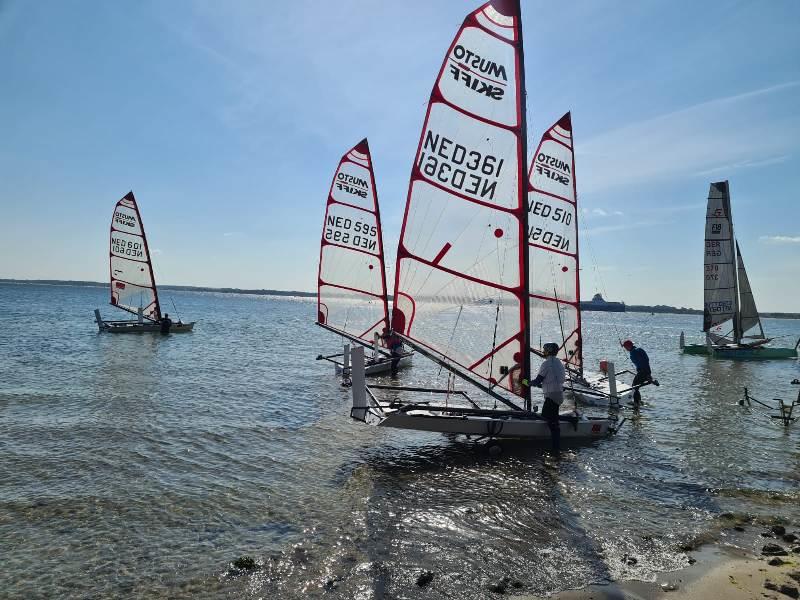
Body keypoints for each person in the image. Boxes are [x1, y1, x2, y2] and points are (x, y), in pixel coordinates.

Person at [531, 342, 565, 452]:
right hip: (558, 394)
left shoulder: (546, 364)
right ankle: (555, 445)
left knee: (550, 421)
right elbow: (552, 379)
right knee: (550, 417)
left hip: (551, 396)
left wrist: (525, 382)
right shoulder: (559, 363)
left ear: (548, 351)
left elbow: (537, 381)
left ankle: (556, 449)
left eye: (545, 350)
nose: (543, 352)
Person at [622, 339, 651, 410]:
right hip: (647, 370)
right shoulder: (639, 349)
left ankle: (636, 404)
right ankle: (639, 402)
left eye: (625, 347)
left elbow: (642, 362)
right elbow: (646, 359)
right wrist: (648, 373)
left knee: (634, 387)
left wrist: (644, 373)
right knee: (636, 387)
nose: (625, 349)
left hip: (643, 372)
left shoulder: (633, 353)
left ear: (628, 347)